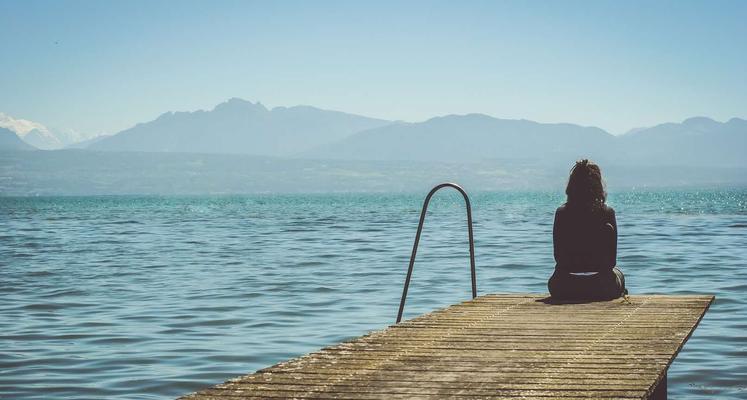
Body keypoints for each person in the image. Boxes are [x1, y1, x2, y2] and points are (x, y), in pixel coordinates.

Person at [548, 159, 626, 301]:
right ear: (598, 186)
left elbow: (558, 257)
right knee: (619, 274)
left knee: (555, 278)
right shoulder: (607, 213)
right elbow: (611, 262)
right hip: (601, 286)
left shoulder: (561, 213)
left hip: (565, 286)